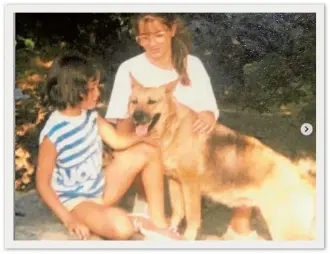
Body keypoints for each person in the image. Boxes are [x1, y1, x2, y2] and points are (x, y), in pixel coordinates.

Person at [105, 13, 257, 240]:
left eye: (159, 35)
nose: (152, 43)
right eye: (145, 37)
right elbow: (119, 119)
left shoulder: (192, 64)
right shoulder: (129, 68)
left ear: (172, 30)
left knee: (245, 156)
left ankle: (237, 224)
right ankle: (145, 198)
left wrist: (206, 115)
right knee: (133, 135)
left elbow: (209, 110)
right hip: (147, 149)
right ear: (138, 39)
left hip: (188, 145)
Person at [36, 51, 181, 240]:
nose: (98, 93)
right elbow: (42, 184)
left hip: (101, 188)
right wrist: (68, 219)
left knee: (150, 150)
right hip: (77, 202)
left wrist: (142, 138)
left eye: (98, 87)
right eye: (92, 88)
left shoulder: (90, 115)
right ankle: (135, 221)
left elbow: (117, 141)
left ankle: (158, 221)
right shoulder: (53, 133)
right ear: (72, 89)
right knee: (122, 229)